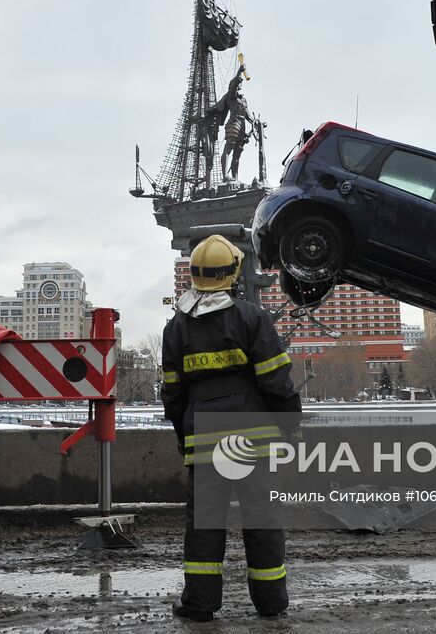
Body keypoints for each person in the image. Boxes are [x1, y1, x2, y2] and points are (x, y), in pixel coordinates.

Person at [161, 234, 302, 622]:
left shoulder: (176, 328)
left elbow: (172, 394)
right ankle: (271, 605)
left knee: (205, 525)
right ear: (233, 273)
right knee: (263, 520)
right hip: (253, 439)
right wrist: (291, 423)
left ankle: (200, 605)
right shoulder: (250, 317)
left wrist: (183, 435)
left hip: (204, 438)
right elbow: (275, 380)